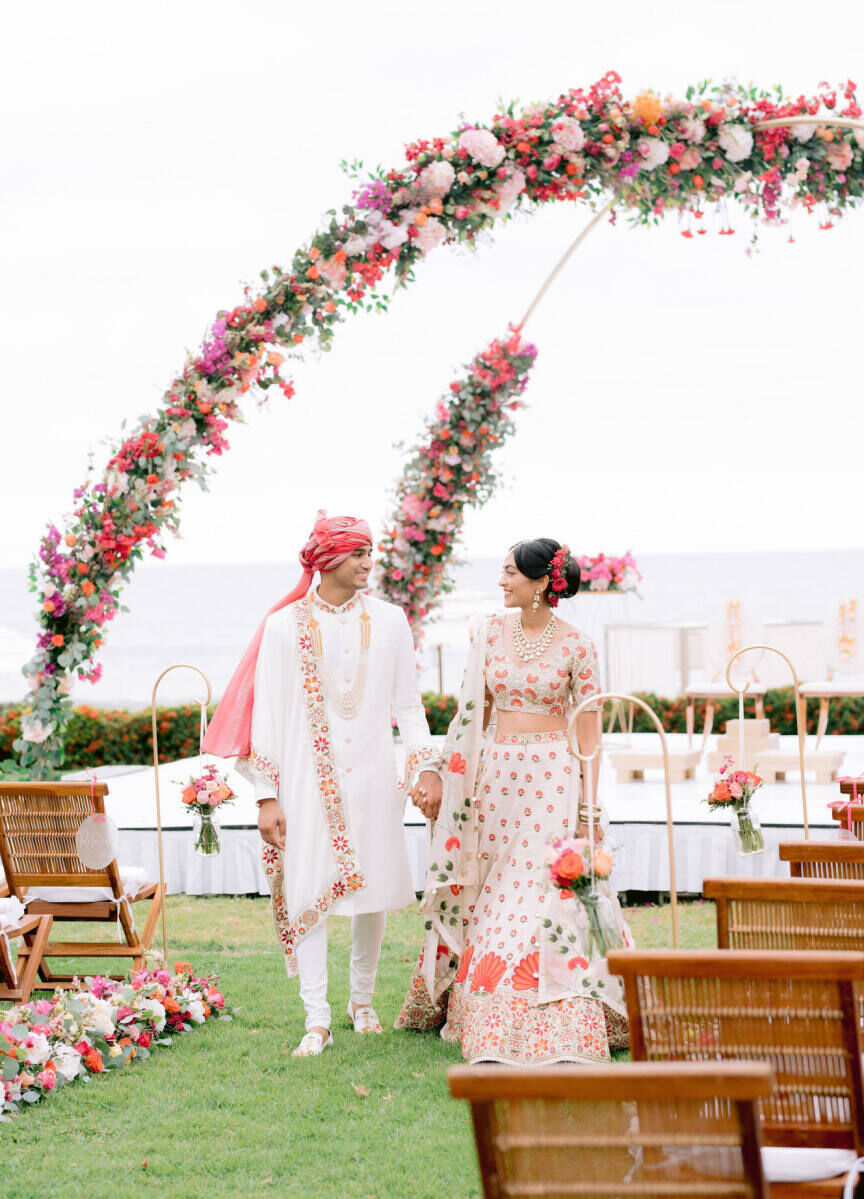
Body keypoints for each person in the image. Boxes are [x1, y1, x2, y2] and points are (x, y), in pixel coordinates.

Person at [203, 510, 442, 1057]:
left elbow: (408, 703)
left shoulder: (389, 621)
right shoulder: (284, 626)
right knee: (307, 885)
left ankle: (362, 1002)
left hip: (375, 778)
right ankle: (317, 1018)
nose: (368, 562)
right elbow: (266, 714)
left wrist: (425, 764)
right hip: (306, 782)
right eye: (358, 553)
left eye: (369, 551)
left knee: (373, 890)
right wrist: (266, 795)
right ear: (329, 558)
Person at [396, 538, 633, 1065]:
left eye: (509, 573)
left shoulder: (577, 645)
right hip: (495, 780)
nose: (501, 582)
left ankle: (561, 1004)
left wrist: (590, 808)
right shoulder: (485, 633)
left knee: (545, 887)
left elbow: (589, 733)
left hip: (554, 776)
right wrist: (440, 770)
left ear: (541, 582)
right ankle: (482, 997)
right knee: (498, 887)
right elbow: (468, 716)